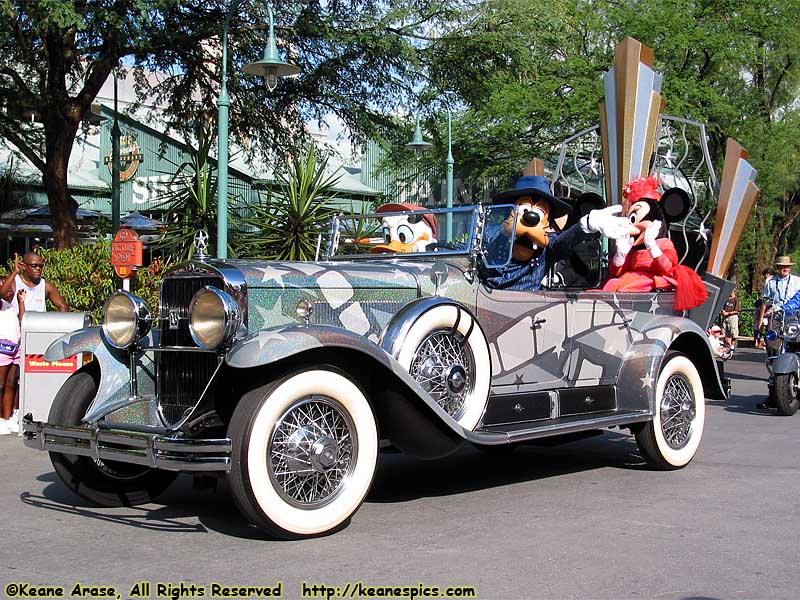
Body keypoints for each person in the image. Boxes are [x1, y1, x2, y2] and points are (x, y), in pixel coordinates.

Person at [480, 175, 636, 291]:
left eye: (540, 212)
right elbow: (469, 249)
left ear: (546, 221)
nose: (531, 216)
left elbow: (562, 243)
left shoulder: (546, 247)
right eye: (523, 208)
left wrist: (586, 224)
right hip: (484, 299)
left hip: (523, 313)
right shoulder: (490, 234)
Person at [600, 176, 708, 311]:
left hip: (651, 285)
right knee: (612, 283)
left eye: (633, 218)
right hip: (631, 282)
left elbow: (668, 268)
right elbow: (616, 272)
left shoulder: (663, 243)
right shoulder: (634, 249)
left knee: (628, 285)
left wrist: (652, 247)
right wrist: (620, 255)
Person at [0, 251, 68, 313]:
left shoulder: (45, 285)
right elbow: (2, 294)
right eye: (34, 266)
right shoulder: (14, 282)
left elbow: (63, 306)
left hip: (39, 324)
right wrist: (15, 272)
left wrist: (58, 324)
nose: (38, 268)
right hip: (18, 324)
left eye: (41, 266)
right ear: (24, 266)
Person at [0, 284, 25, 435]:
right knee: (0, 385)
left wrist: (21, 302)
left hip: (15, 348)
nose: (9, 289)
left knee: (11, 385)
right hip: (2, 348)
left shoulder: (10, 307)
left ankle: (7, 417)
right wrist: (15, 271)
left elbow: (21, 320)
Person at [754, 268, 774, 349]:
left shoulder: (768, 280)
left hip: (766, 306)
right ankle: (763, 342)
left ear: (767, 274)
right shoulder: (775, 281)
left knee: (760, 324)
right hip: (770, 306)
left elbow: (765, 298)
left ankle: (759, 342)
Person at [720, 287, 739, 351]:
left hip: (732, 317)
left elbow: (737, 310)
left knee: (733, 332)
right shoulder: (726, 299)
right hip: (725, 317)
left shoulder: (736, 299)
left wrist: (728, 313)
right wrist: (723, 312)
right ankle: (727, 344)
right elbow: (723, 307)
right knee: (724, 330)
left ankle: (733, 345)